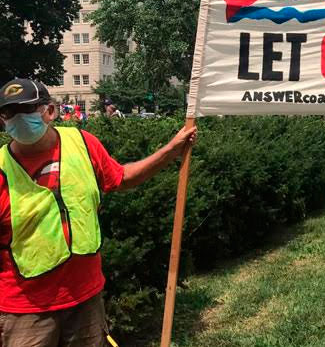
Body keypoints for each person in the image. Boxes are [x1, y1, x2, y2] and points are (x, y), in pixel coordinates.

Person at [0, 78, 197, 346]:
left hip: (85, 299)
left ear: (49, 111)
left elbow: (121, 178)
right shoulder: (2, 168)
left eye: (26, 110)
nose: (17, 119)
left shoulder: (83, 144)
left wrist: (171, 150)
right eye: (9, 113)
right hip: (25, 310)